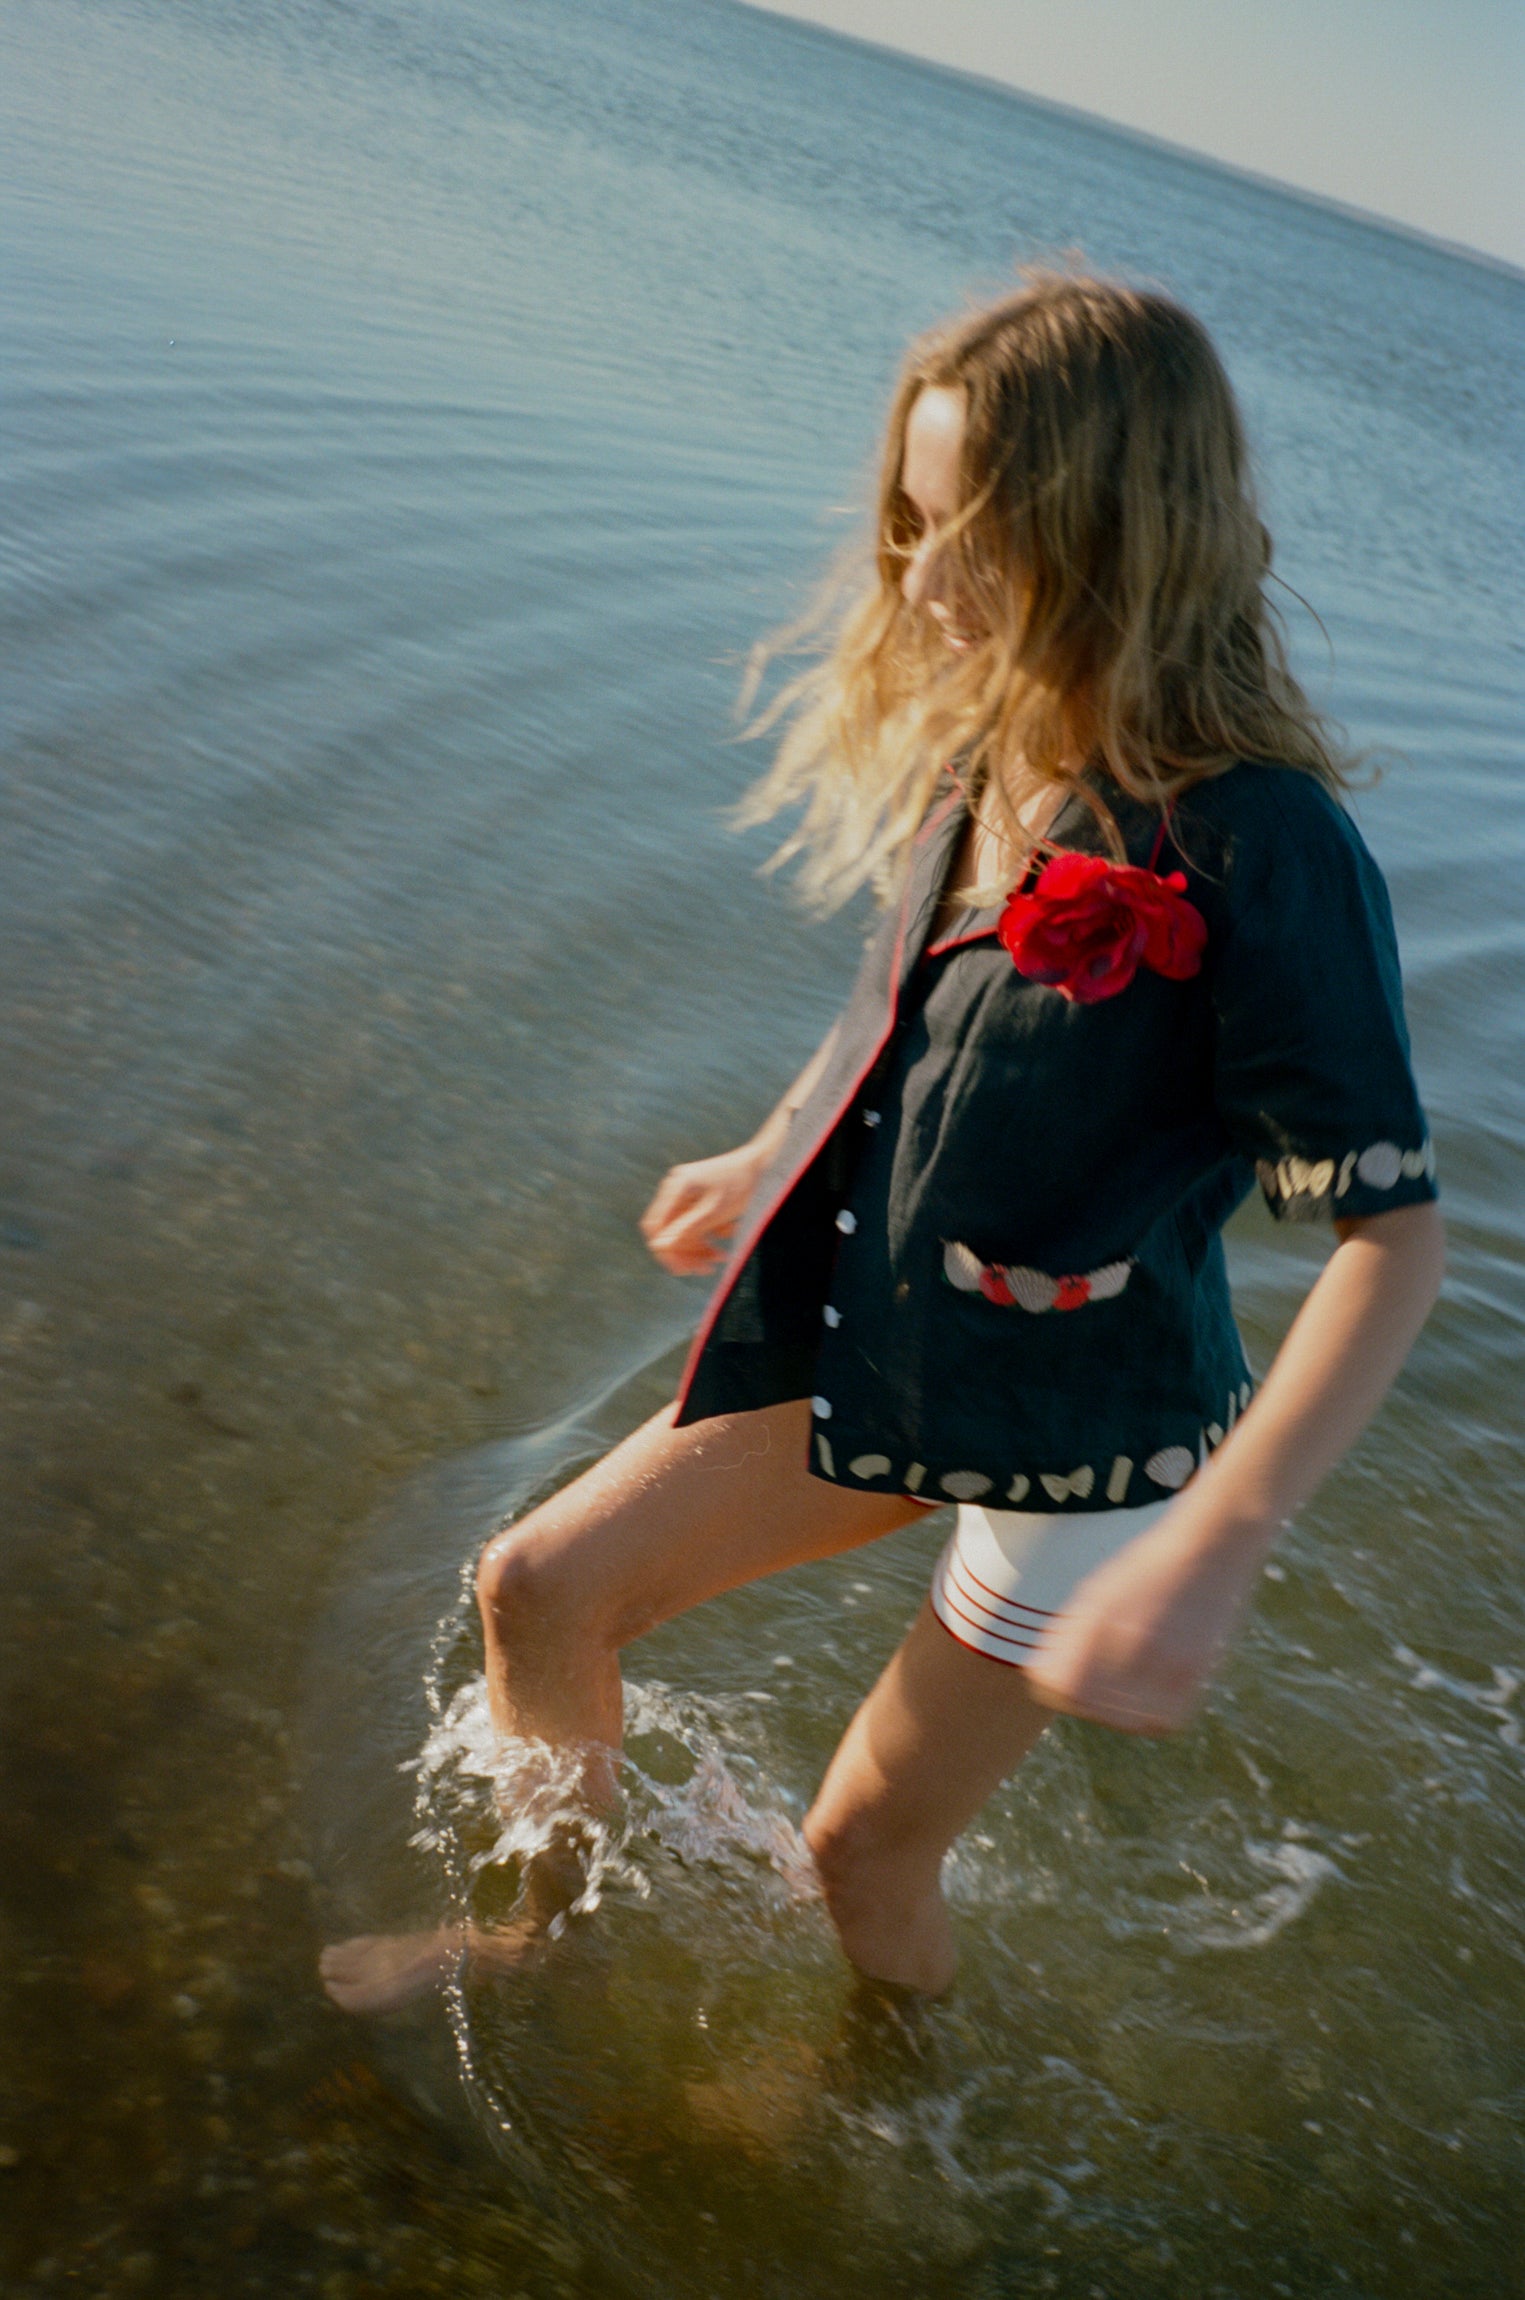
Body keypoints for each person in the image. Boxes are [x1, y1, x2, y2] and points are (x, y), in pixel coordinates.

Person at [321, 273, 1443, 2015]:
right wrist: (764, 1151)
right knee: (538, 1586)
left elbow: (1390, 1239)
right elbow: (895, 1017)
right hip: (894, 1342)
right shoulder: (1007, 754)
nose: (916, 580)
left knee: (860, 1853)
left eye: (968, 534)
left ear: (1109, 529)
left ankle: (897, 2105)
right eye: (910, 525)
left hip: (1082, 1440)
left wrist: (1221, 1541)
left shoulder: (1261, 842)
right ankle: (531, 1943)